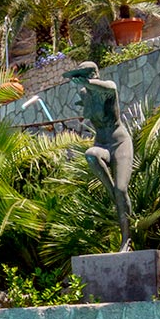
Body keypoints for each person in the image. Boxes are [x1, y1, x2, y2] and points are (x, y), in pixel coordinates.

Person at [64, 61, 133, 251]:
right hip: (101, 143)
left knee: (121, 189)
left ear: (93, 75)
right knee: (90, 155)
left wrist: (87, 82)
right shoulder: (84, 93)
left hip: (119, 142)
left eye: (85, 76)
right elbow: (88, 104)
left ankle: (127, 239)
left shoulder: (109, 88)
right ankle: (114, 197)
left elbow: (106, 88)